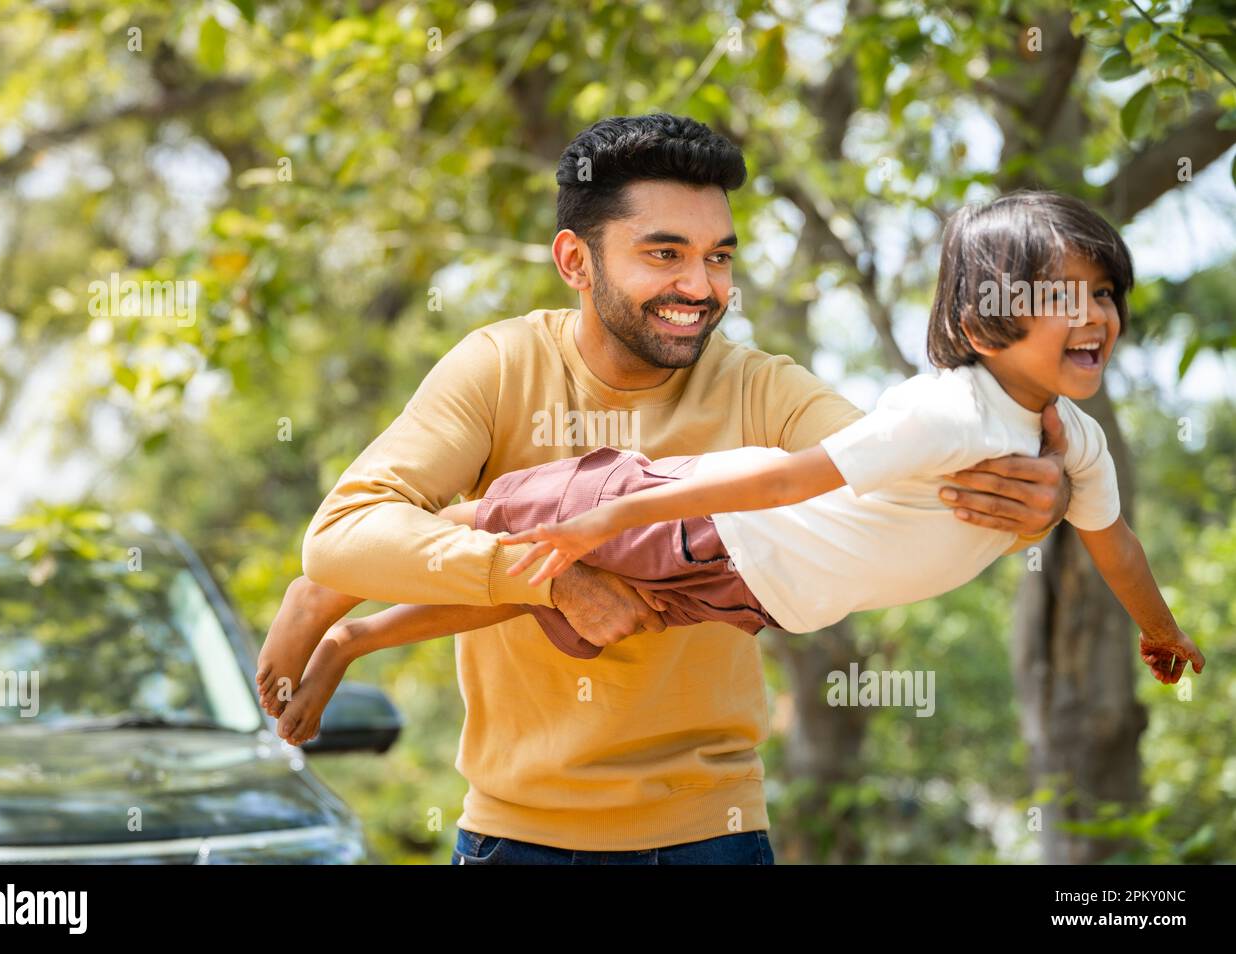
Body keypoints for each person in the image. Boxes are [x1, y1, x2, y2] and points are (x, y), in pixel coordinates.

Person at [259, 115, 1071, 865]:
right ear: (576, 260)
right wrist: (557, 577)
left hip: (711, 832)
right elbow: (344, 532)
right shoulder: (501, 366)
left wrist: (1040, 500)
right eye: (665, 253)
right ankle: (327, 604)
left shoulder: (764, 389)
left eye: (719, 257)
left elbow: (909, 478)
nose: (701, 286)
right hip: (515, 837)